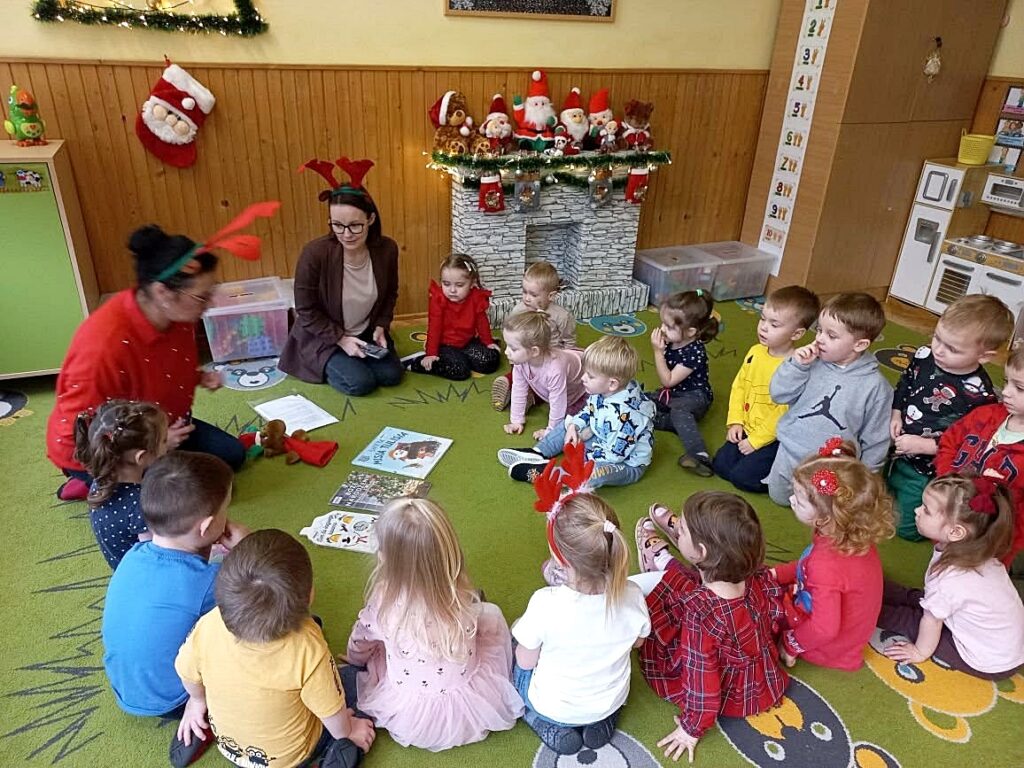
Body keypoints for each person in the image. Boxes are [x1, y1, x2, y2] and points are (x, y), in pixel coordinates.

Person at [46, 224, 247, 501]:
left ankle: (112, 481)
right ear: (163, 292)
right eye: (202, 296)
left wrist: (198, 376)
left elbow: (162, 366)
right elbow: (86, 431)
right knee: (192, 499)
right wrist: (156, 449)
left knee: (231, 457)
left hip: (162, 427)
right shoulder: (104, 347)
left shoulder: (177, 316)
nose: (209, 304)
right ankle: (91, 479)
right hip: (110, 449)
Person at [175, 529, 375, 768]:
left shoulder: (210, 622)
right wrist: (349, 732)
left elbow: (186, 672)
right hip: (290, 757)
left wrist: (197, 702)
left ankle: (204, 731)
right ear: (309, 595)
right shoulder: (307, 647)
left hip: (231, 748)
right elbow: (331, 709)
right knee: (360, 682)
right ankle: (330, 757)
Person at [101, 452, 248, 765]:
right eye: (226, 510)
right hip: (174, 695)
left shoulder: (135, 552)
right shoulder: (208, 582)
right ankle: (206, 715)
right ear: (207, 527)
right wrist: (246, 548)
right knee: (269, 635)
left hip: (127, 686)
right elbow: (258, 599)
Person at [345, 498, 522, 751]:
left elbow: (362, 638)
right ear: (449, 552)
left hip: (411, 716)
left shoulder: (383, 603)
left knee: (380, 649)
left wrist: (355, 658)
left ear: (385, 558)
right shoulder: (458, 593)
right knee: (489, 612)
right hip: (471, 705)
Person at [634, 491, 787, 764]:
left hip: (724, 682)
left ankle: (661, 561)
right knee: (690, 582)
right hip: (752, 671)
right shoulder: (752, 574)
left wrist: (691, 728)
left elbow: (701, 678)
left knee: (674, 585)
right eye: (680, 527)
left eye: (683, 530)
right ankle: (666, 558)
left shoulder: (699, 614)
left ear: (702, 552)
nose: (679, 526)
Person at [512, 460, 650, 755]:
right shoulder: (634, 594)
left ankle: (539, 720)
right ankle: (603, 721)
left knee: (516, 656)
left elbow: (525, 662)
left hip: (554, 706)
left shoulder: (544, 604)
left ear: (559, 560)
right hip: (607, 701)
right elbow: (638, 642)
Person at [888, 295, 1012, 541]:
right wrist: (896, 412)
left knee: (907, 529)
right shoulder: (924, 355)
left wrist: (926, 446)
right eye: (937, 338)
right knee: (884, 490)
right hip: (897, 447)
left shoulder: (980, 394)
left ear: (985, 356)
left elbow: (970, 442)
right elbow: (905, 383)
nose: (939, 350)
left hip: (928, 469)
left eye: (953, 348)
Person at [878, 475, 1024, 680]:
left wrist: (920, 652)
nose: (917, 511)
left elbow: (932, 621)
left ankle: (866, 608)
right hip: (1003, 644)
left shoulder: (951, 578)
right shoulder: (978, 555)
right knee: (921, 598)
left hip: (990, 661)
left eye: (926, 510)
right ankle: (876, 588)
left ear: (956, 532)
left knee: (915, 619)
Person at [279, 161, 403, 397]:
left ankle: (356, 359)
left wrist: (381, 326)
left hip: (365, 332)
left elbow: (390, 293)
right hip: (325, 337)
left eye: (355, 225)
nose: (346, 234)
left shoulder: (387, 249)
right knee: (361, 384)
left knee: (391, 376)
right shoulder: (315, 253)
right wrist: (341, 340)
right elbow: (305, 310)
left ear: (371, 219)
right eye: (337, 225)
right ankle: (332, 362)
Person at [773, 440, 895, 671]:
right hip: (845, 619)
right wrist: (777, 573)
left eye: (798, 499)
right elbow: (809, 564)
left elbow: (824, 628)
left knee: (759, 615)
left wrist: (790, 644)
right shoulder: (848, 533)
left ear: (827, 516)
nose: (791, 500)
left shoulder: (826, 565)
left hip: (831, 647)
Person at [766, 293, 893, 506]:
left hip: (833, 464)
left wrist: (866, 476)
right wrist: (796, 366)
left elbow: (876, 437)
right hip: (790, 451)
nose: (819, 339)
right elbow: (779, 394)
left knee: (825, 511)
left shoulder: (876, 387)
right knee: (779, 498)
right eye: (819, 330)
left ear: (860, 345)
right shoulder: (808, 361)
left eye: (831, 336)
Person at [498, 335, 655, 488]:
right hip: (601, 439)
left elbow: (615, 456)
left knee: (593, 474)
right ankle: (537, 453)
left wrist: (581, 454)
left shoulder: (626, 418)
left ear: (612, 383)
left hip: (626, 464)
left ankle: (550, 475)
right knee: (568, 422)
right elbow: (588, 411)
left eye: (590, 376)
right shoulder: (603, 391)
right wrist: (575, 426)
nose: (583, 378)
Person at [713, 286, 820, 493]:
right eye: (763, 319)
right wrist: (735, 421)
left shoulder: (795, 367)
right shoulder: (755, 351)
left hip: (772, 437)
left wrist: (756, 441)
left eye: (774, 324)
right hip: (747, 426)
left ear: (797, 333)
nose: (763, 327)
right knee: (721, 466)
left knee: (742, 479)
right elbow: (740, 386)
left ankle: (782, 473)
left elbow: (783, 412)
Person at [934, 344, 1024, 566]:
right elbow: (950, 441)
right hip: (952, 512)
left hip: (991, 539)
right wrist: (948, 482)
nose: (1006, 392)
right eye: (1006, 382)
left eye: (1020, 388)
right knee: (941, 563)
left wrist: (1004, 545)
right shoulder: (986, 414)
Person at [74, 400, 167, 569]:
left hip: (121, 567)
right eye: (164, 441)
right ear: (141, 457)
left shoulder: (101, 480)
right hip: (142, 577)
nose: (167, 445)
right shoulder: (140, 504)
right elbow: (158, 558)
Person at [647, 290, 719, 477]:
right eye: (663, 323)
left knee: (680, 411)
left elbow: (668, 380)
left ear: (691, 332)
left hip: (695, 397)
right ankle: (667, 421)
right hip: (672, 395)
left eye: (669, 327)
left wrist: (657, 353)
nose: (662, 329)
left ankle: (699, 455)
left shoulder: (694, 352)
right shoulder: (672, 339)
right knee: (642, 400)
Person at [492, 260, 577, 410]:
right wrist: (514, 359)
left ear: (551, 296)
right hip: (526, 356)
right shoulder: (519, 310)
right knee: (522, 372)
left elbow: (568, 341)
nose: (527, 298)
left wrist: (565, 360)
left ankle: (530, 398)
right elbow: (513, 337)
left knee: (549, 384)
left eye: (533, 294)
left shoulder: (561, 316)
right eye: (524, 292)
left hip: (550, 361)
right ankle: (507, 382)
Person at [406, 253, 502, 380]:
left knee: (490, 361)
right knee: (460, 371)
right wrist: (431, 353)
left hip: (467, 342)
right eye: (446, 284)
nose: (452, 290)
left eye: (459, 285)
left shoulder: (475, 297)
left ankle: (462, 358)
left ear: (472, 283)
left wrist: (488, 342)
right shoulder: (439, 299)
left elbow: (481, 322)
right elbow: (434, 328)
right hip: (445, 345)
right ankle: (416, 362)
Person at [502, 311, 587, 440]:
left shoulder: (555, 369)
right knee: (545, 388)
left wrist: (551, 431)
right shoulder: (520, 362)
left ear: (534, 351)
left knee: (574, 420)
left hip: (585, 384)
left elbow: (558, 403)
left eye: (513, 349)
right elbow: (518, 388)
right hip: (561, 380)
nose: (506, 352)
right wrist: (516, 420)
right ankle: (535, 398)